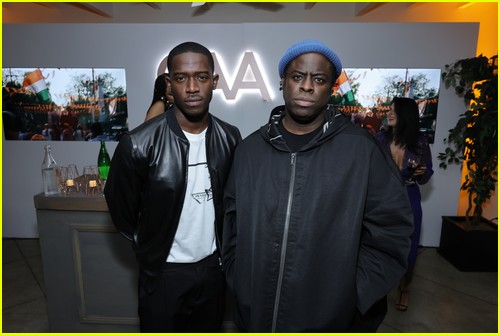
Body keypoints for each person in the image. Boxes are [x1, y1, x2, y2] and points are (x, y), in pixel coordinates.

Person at [222, 39, 413, 332]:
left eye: (319, 79)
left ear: (331, 88)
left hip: (329, 319)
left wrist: (352, 295)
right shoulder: (250, 151)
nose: (307, 86)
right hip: (255, 314)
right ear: (282, 82)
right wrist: (240, 281)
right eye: (298, 77)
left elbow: (392, 230)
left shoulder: (361, 150)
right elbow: (231, 224)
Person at [104, 41, 241, 332]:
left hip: (213, 271)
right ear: (169, 84)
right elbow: (121, 208)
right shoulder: (139, 143)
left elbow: (232, 205)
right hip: (163, 274)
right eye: (181, 78)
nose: (192, 87)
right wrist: (150, 248)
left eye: (202, 77)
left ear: (214, 82)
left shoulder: (230, 138)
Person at [375, 97, 434, 312]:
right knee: (379, 242)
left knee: (409, 246)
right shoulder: (380, 138)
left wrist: (422, 171)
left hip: (409, 196)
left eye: (395, 111)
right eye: (389, 110)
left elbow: (427, 175)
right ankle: (378, 286)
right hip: (382, 197)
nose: (389, 113)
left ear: (406, 116)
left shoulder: (419, 142)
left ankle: (404, 288)